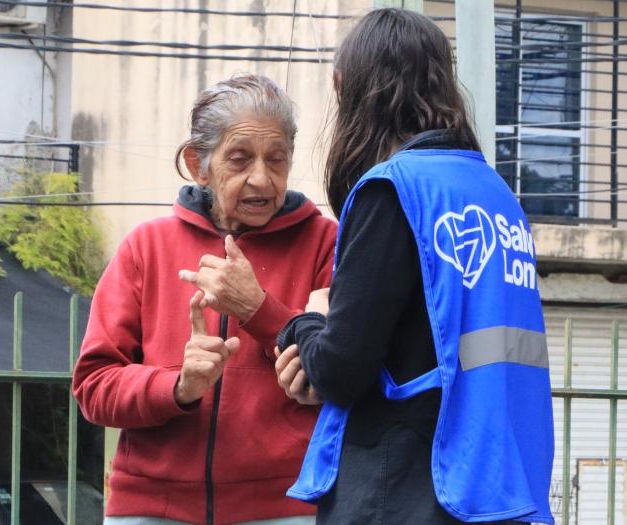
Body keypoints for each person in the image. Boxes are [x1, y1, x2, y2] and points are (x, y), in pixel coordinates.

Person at [274, 9, 554, 525]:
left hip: (406, 489)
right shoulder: (497, 196)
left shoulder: (393, 190)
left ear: (348, 90)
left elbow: (341, 370)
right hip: (496, 490)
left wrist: (308, 322)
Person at [72, 74, 337, 525]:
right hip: (151, 506)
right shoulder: (145, 246)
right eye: (239, 159)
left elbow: (343, 369)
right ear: (199, 164)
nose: (261, 177)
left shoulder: (324, 243)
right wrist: (177, 386)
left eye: (277, 160)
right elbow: (94, 386)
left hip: (286, 504)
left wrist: (259, 310)